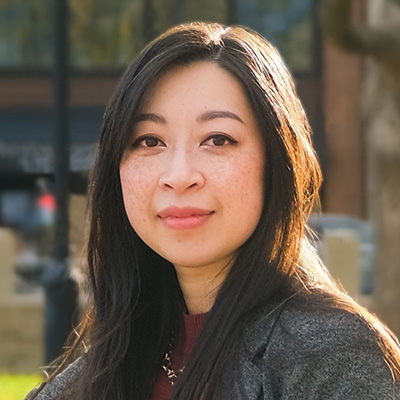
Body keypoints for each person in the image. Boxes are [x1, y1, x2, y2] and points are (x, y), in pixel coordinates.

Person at [26, 22, 400, 400]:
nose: (179, 176)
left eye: (218, 140)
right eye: (149, 141)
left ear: (277, 163)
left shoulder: (330, 356)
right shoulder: (103, 368)